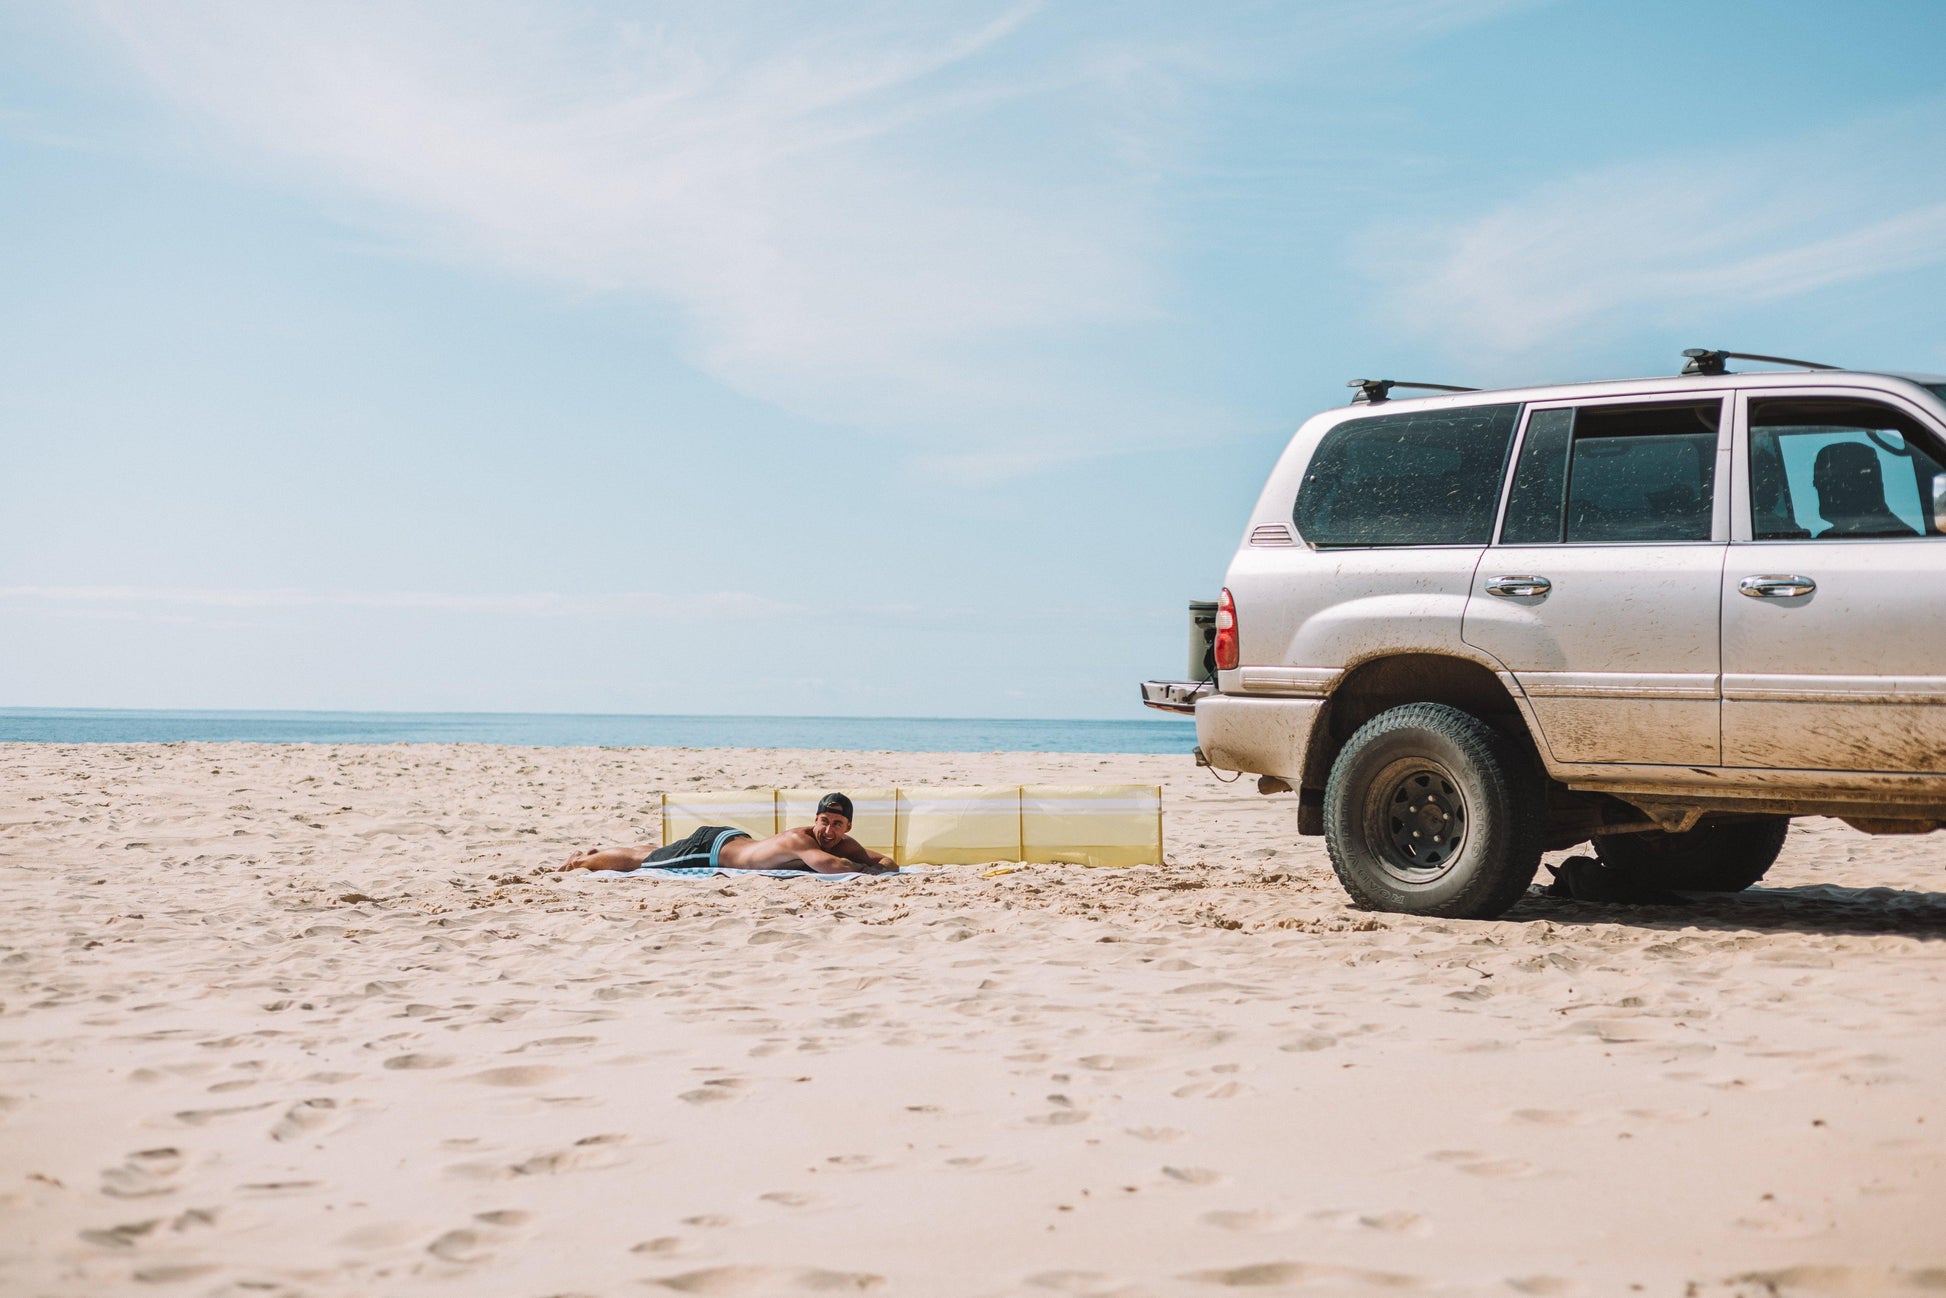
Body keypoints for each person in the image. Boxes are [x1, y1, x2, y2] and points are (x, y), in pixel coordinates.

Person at [557, 792, 896, 875]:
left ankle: (595, 849)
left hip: (732, 838)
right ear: (815, 819)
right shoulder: (802, 839)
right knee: (642, 861)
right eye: (823, 821)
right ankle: (583, 862)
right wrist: (868, 871)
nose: (828, 829)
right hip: (712, 849)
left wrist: (879, 866)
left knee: (660, 849)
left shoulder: (844, 842)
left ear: (847, 827)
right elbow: (831, 867)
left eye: (836, 824)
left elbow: (884, 861)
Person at [1811, 441, 1918, 538]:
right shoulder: (1830, 538)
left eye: (1826, 485)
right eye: (1818, 484)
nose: (1820, 491)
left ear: (1852, 486)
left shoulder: (1896, 540)